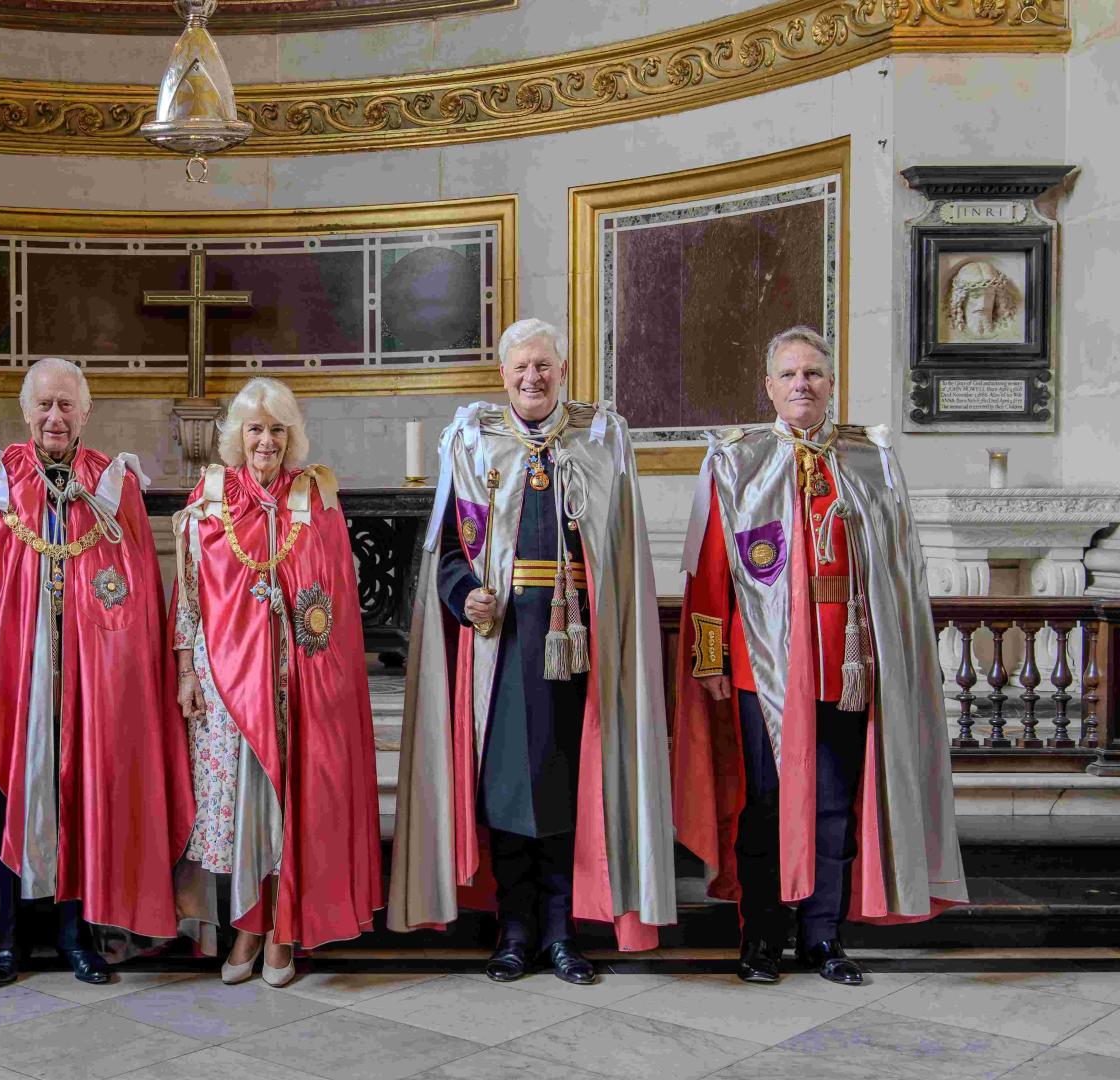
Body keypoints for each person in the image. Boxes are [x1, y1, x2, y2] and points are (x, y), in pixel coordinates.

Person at [388, 318, 676, 986]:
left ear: (563, 369)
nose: (532, 378)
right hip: (505, 649)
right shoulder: (474, 444)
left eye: (543, 365)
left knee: (571, 790)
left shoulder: (602, 441)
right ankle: (514, 931)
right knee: (510, 793)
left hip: (580, 648)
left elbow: (623, 551)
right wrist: (468, 598)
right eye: (520, 367)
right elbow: (450, 555)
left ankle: (562, 932)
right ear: (502, 375)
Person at [676, 326, 965, 987]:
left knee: (834, 802)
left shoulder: (869, 460)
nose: (801, 384)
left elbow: (899, 567)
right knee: (767, 804)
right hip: (760, 665)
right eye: (788, 374)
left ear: (831, 384)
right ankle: (761, 938)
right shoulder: (735, 460)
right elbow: (710, 572)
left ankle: (823, 937)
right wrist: (711, 660)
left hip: (848, 664)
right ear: (768, 387)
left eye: (813, 373)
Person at [0, 357, 193, 987]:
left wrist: (130, 682)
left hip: (93, 685)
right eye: (44, 404)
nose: (55, 417)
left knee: (81, 799)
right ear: (25, 410)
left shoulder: (114, 484)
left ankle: (76, 936)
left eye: (67, 405)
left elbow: (140, 593)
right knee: (9, 801)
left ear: (87, 412)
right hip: (9, 681)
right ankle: (8, 940)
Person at [172, 377, 381, 988]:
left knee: (289, 804)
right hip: (225, 685)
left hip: (297, 683)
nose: (266, 440)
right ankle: (246, 924)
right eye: (256, 428)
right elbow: (187, 595)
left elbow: (336, 597)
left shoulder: (315, 495)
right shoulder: (210, 495)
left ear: (292, 437)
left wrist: (330, 678)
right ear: (237, 435)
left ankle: (284, 929)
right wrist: (187, 670)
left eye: (278, 429)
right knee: (242, 809)